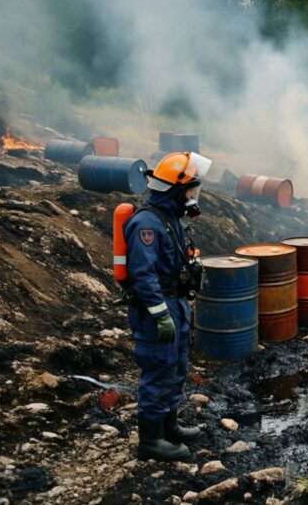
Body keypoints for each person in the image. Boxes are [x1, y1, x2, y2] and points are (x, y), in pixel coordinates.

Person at [124, 151, 212, 461]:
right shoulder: (145, 223)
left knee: (176, 365)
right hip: (156, 309)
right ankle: (150, 441)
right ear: (175, 190)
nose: (191, 196)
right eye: (189, 190)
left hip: (175, 303)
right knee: (158, 368)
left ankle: (168, 426)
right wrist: (160, 314)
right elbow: (143, 274)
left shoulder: (170, 218)